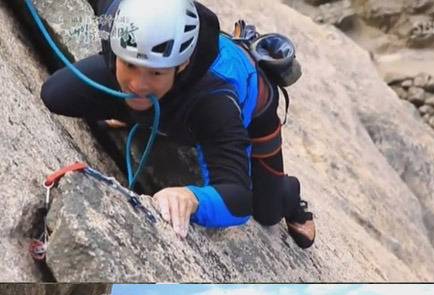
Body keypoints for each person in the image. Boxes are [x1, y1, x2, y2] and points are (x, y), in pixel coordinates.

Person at [40, 0, 315, 248]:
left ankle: (290, 195)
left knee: (267, 210)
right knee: (57, 94)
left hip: (252, 109)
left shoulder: (215, 101)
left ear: (181, 65)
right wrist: (145, 77)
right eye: (130, 65)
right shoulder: (122, 15)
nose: (138, 83)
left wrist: (194, 198)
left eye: (155, 72)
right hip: (173, 95)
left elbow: (238, 200)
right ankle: (151, 116)